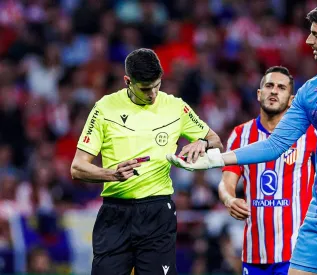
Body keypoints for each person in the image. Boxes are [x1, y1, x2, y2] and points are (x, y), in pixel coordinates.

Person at [167, 2, 317, 275]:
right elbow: (275, 143)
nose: (308, 41)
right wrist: (218, 159)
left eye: (316, 34)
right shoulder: (312, 89)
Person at [70, 48, 223, 275]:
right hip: (115, 212)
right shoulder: (104, 108)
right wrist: (111, 174)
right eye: (145, 88)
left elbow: (215, 140)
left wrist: (203, 143)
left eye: (157, 85)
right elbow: (77, 167)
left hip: (157, 213)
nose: (153, 94)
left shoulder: (176, 107)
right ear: (127, 81)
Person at [219, 66, 317, 275]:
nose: (274, 91)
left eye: (281, 88)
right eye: (269, 86)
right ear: (259, 93)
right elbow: (226, 182)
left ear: (291, 99)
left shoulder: (310, 134)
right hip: (255, 254)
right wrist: (230, 200)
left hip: (298, 254)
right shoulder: (240, 134)